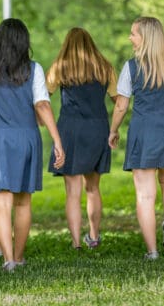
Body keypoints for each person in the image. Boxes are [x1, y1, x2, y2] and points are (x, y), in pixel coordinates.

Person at [0, 18, 65, 272]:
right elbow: (42, 105)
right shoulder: (33, 70)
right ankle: (19, 255)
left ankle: (8, 260)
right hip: (25, 137)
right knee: (23, 202)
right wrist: (57, 140)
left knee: (0, 202)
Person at [108, 17, 164, 260]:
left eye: (133, 34)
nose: (130, 38)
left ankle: (152, 251)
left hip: (144, 132)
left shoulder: (132, 67)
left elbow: (121, 106)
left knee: (145, 196)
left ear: (145, 37)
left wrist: (113, 130)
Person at [46, 27, 117, 251]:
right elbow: (119, 101)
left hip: (70, 129)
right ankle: (94, 237)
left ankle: (76, 242)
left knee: (72, 192)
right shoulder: (105, 67)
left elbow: (42, 98)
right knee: (93, 188)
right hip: (98, 128)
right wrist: (115, 128)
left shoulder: (60, 67)